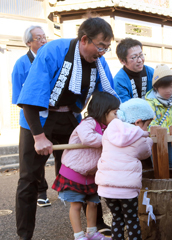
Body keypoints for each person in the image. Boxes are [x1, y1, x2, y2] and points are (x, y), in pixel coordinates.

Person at [15, 17, 116, 240]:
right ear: (84, 40)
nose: (102, 52)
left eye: (106, 48)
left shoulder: (99, 61)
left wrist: (114, 126)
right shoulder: (53, 51)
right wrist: (38, 137)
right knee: (29, 178)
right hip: (39, 118)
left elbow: (107, 97)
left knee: (89, 168)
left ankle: (96, 225)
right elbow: (31, 95)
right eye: (100, 46)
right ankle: (24, 235)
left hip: (71, 118)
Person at [52, 92, 119, 240]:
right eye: (114, 112)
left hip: (92, 174)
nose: (117, 116)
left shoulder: (106, 127)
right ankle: (79, 235)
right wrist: (108, 138)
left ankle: (92, 232)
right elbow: (87, 138)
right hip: (74, 172)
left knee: (93, 203)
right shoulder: (88, 123)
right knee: (76, 205)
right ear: (103, 110)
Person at [95, 98, 154, 240]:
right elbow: (146, 152)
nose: (147, 129)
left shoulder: (109, 131)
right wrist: (150, 140)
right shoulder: (138, 137)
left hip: (106, 188)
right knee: (132, 219)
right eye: (147, 125)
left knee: (117, 219)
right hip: (126, 189)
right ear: (138, 122)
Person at [11, 26, 51, 207]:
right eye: (39, 38)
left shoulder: (51, 59)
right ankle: (40, 191)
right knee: (30, 163)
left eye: (45, 37)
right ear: (28, 42)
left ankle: (68, 192)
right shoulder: (21, 63)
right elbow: (19, 95)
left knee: (52, 156)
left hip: (52, 117)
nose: (43, 41)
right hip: (29, 121)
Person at [145, 64, 172, 168]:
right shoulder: (149, 103)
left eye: (171, 86)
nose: (169, 90)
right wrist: (164, 132)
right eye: (164, 87)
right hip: (156, 140)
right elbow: (150, 122)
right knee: (159, 167)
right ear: (155, 87)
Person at [114, 38, 154, 102]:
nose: (140, 60)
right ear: (122, 61)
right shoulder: (119, 80)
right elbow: (125, 106)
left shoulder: (152, 73)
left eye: (141, 55)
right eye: (134, 57)